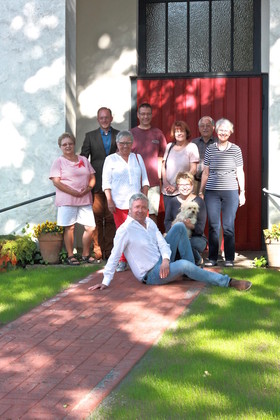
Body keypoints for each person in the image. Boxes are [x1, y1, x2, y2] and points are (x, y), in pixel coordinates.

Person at [88, 193, 251, 291]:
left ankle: (190, 271)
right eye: (137, 207)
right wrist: (105, 281)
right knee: (184, 265)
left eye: (144, 207)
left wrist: (166, 259)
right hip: (150, 274)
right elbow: (115, 255)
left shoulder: (149, 222)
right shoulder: (125, 230)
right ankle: (228, 282)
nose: (140, 210)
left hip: (161, 261)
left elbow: (163, 244)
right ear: (130, 209)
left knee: (179, 226)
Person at [199, 118, 246, 267]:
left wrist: (242, 192)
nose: (223, 132)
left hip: (230, 191)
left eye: (226, 130)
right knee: (213, 225)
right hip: (212, 192)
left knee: (228, 225)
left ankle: (229, 259)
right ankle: (212, 258)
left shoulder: (236, 149)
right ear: (216, 131)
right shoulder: (210, 149)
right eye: (221, 129)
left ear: (230, 132)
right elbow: (206, 171)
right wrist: (201, 190)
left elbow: (240, 172)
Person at [102, 130, 149, 272]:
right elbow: (106, 183)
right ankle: (122, 260)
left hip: (137, 204)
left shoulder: (138, 157)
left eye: (128, 143)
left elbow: (145, 180)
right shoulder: (110, 159)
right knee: (122, 233)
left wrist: (144, 199)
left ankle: (144, 260)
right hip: (119, 203)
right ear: (117, 144)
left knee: (142, 232)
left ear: (132, 144)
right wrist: (109, 200)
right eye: (122, 143)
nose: (125, 146)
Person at [50, 132, 96, 265]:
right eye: (64, 144)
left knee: (90, 227)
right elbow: (56, 182)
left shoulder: (84, 160)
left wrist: (87, 189)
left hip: (84, 198)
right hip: (67, 200)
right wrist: (73, 192)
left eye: (70, 143)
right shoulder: (58, 162)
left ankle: (86, 254)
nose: (68, 146)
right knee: (69, 228)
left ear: (74, 144)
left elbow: (92, 177)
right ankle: (71, 256)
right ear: (60, 147)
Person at [80, 107, 119, 262]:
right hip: (96, 184)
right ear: (98, 119)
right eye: (101, 118)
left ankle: (109, 252)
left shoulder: (118, 135)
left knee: (110, 219)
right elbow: (83, 160)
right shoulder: (90, 136)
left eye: (106, 117)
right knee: (96, 219)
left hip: (114, 184)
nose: (104, 120)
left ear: (111, 118)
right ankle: (97, 251)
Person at [131, 103, 167, 224]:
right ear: (138, 115)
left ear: (151, 115)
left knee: (152, 215)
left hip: (153, 182)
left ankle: (152, 242)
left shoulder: (158, 134)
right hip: (135, 183)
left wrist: (160, 179)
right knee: (135, 214)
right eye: (142, 114)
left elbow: (161, 159)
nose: (145, 117)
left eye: (148, 114)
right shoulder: (131, 134)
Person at [164, 172, 207, 266]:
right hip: (176, 235)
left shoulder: (199, 201)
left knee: (186, 245)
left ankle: (194, 261)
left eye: (187, 184)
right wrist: (173, 227)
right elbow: (167, 221)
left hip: (196, 237)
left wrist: (188, 225)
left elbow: (200, 229)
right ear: (177, 186)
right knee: (172, 245)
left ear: (192, 186)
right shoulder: (172, 202)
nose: (185, 187)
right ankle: (192, 261)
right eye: (182, 185)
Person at [161, 121, 199, 209]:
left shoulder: (192, 147)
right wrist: (165, 183)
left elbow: (193, 169)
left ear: (186, 133)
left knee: (183, 219)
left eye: (182, 131)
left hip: (183, 191)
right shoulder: (169, 146)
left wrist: (177, 185)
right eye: (176, 131)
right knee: (169, 219)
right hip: (168, 191)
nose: (179, 134)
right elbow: (163, 166)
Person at [192, 116, 217, 194]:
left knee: (212, 206)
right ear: (199, 128)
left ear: (213, 127)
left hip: (213, 183)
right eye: (202, 126)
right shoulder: (193, 143)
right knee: (195, 205)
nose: (205, 128)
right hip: (196, 182)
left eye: (208, 125)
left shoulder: (218, 143)